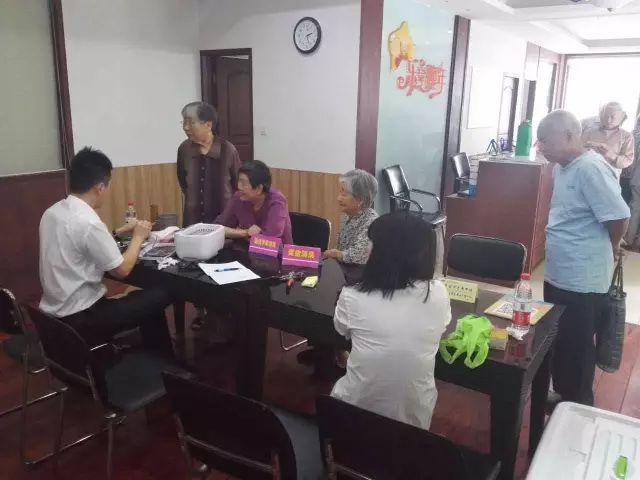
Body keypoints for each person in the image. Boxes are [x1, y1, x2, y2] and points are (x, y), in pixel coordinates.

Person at [39, 147, 174, 356]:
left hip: (53, 317)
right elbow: (122, 270)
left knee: (143, 299)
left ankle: (154, 356)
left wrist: (118, 231)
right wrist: (138, 237)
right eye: (108, 185)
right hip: (83, 319)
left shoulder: (52, 212)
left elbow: (79, 244)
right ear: (100, 187)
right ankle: (162, 361)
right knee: (161, 293)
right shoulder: (88, 222)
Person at [538, 110, 630, 406]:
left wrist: (612, 246)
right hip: (559, 274)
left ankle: (578, 407)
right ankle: (562, 397)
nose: (541, 147)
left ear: (568, 136)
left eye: (545, 140)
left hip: (582, 280)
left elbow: (618, 216)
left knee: (577, 348)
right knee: (559, 340)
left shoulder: (591, 168)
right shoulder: (561, 167)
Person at [330, 212, 451, 429]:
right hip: (415, 424)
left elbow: (341, 330)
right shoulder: (438, 294)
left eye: (372, 244)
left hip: (352, 418)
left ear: (382, 254)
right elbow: (440, 325)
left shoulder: (353, 296)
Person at [177, 101, 241, 227]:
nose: (186, 127)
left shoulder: (227, 150)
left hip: (223, 224)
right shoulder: (184, 149)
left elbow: (238, 186)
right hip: (193, 222)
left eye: (191, 122)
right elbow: (183, 182)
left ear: (208, 124)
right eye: (184, 122)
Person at [216, 160, 293, 243]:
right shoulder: (238, 197)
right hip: (245, 248)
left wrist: (236, 232)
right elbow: (217, 228)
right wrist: (245, 232)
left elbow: (270, 240)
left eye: (243, 183)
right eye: (239, 181)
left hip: (278, 250)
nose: (238, 186)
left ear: (259, 188)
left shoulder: (277, 201)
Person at [581, 102, 635, 201]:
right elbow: (578, 150)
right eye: (606, 116)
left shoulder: (627, 137)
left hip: (609, 182)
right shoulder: (589, 131)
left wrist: (612, 156)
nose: (608, 120)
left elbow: (628, 160)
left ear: (621, 116)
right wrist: (587, 149)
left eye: (612, 117)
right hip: (585, 177)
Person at [324, 169, 379, 264]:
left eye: (344, 194)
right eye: (340, 192)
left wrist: (337, 254)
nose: (338, 198)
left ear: (360, 200)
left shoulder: (371, 222)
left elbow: (359, 256)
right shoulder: (348, 215)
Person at [624, 114, 640, 250]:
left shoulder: (634, 135)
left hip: (637, 177)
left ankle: (628, 239)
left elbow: (631, 159)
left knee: (635, 208)